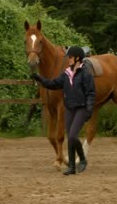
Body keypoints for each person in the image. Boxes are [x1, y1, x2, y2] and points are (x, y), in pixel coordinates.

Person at [31, 46, 96, 175]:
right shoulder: (67, 73)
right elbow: (54, 84)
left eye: (70, 57)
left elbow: (91, 92)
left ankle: (82, 159)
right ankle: (72, 166)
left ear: (77, 58)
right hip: (70, 109)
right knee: (71, 138)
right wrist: (40, 79)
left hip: (81, 108)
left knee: (72, 136)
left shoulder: (85, 74)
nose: (68, 59)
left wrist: (89, 109)